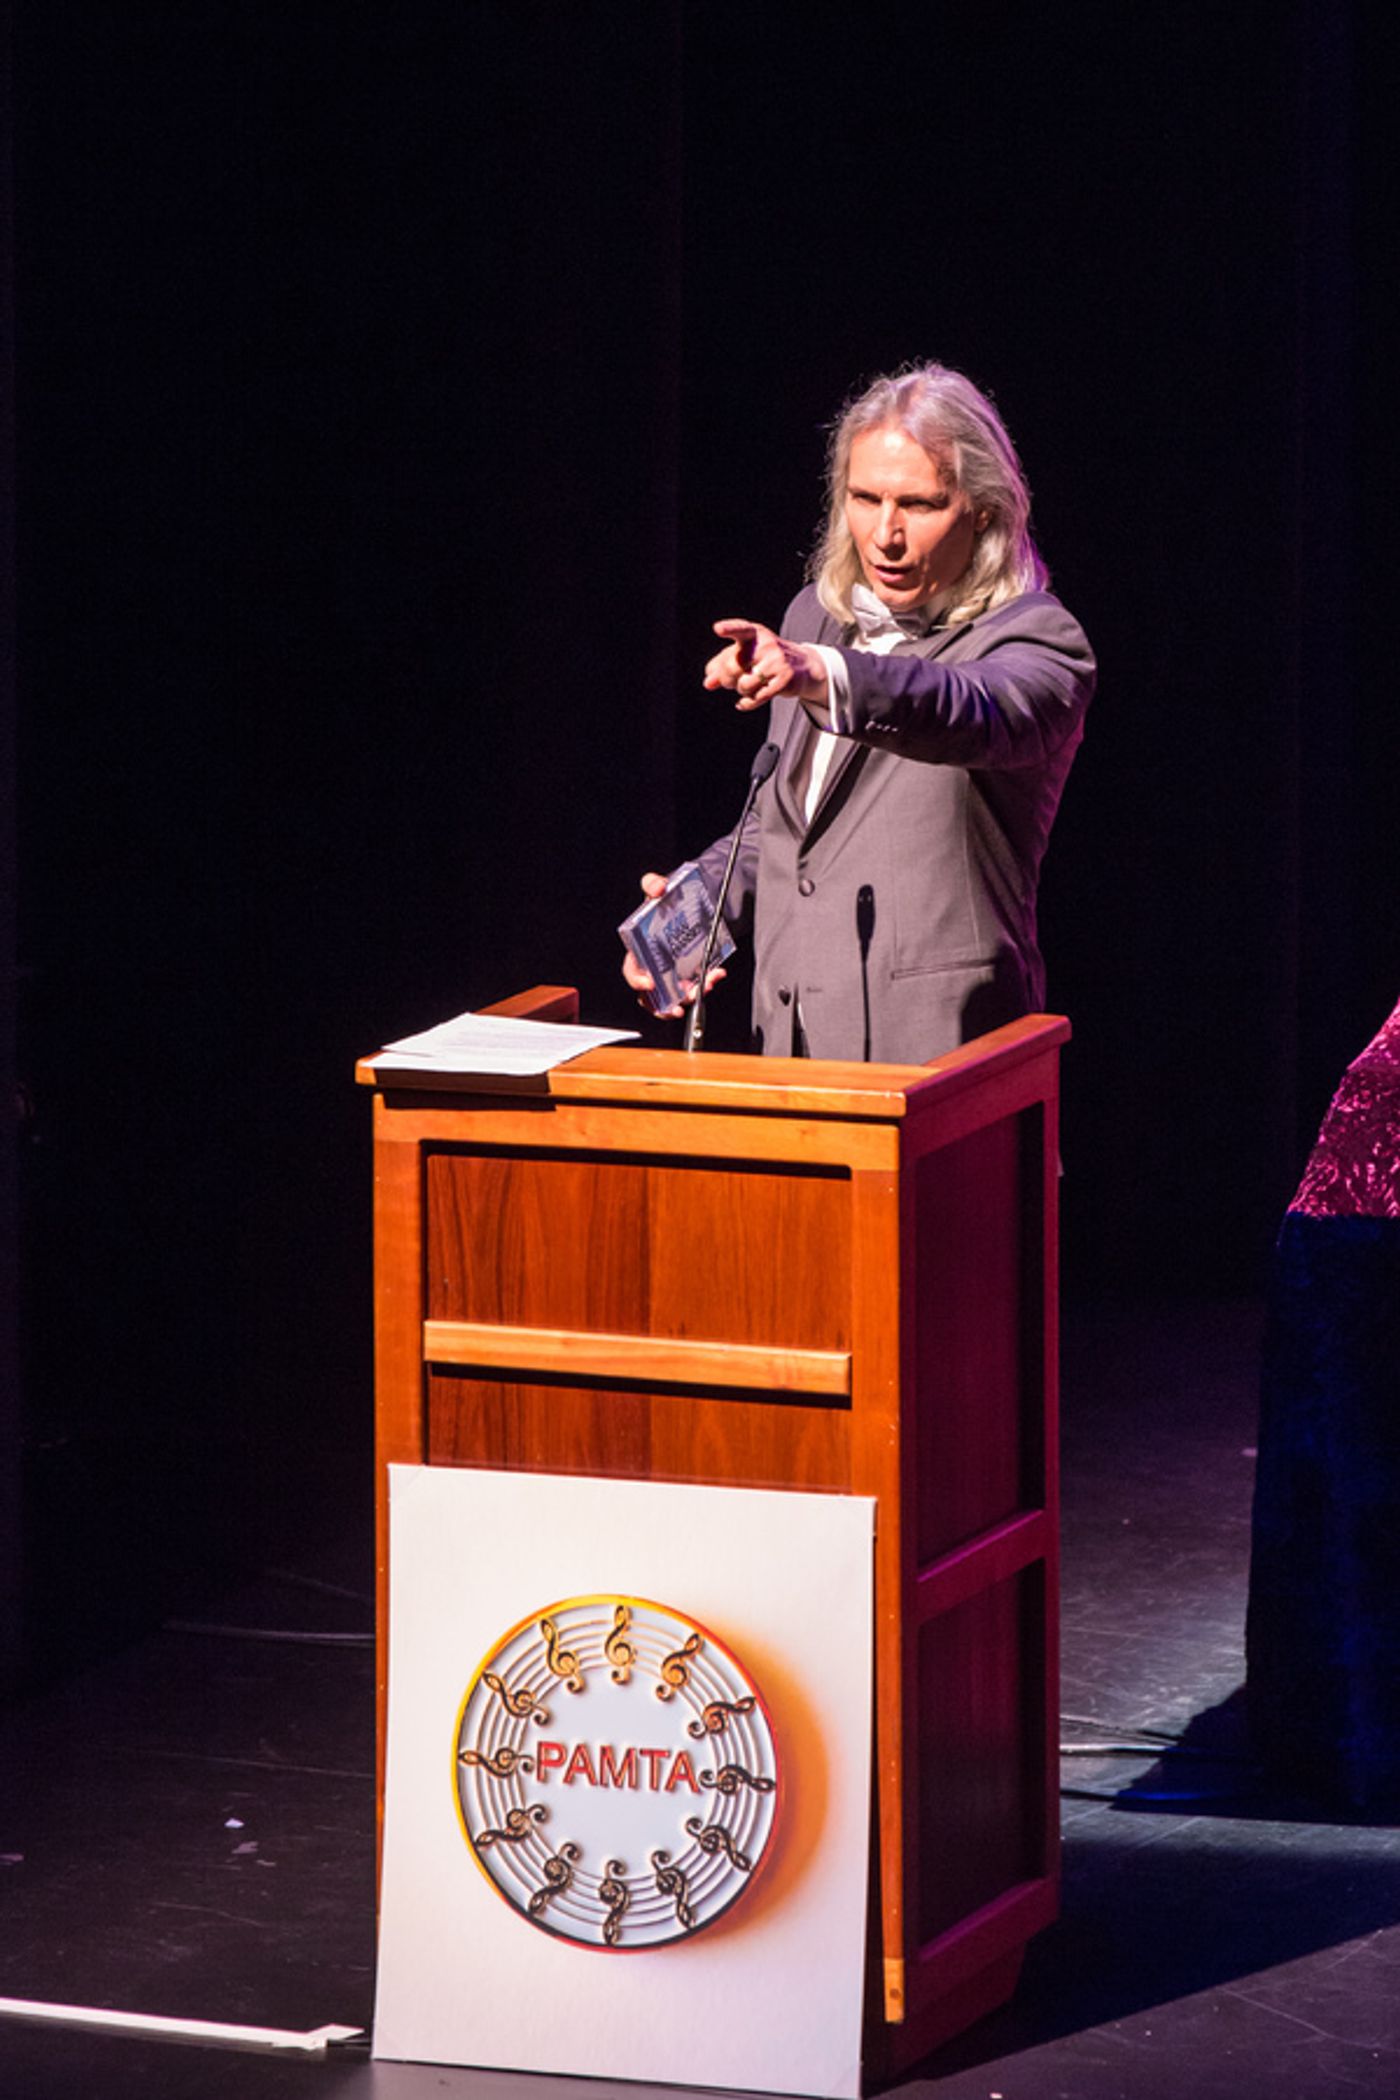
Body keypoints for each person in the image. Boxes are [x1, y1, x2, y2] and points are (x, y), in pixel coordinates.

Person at [623, 362, 1096, 1062]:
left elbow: (964, 707)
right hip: (788, 1053)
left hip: (939, 1068)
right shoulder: (813, 618)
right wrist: (684, 925)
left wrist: (821, 673)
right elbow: (778, 831)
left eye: (919, 504)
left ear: (984, 511)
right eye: (865, 498)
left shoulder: (1037, 640)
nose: (885, 535)